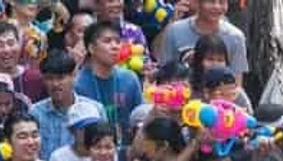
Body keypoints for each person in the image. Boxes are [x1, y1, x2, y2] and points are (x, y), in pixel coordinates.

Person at [74, 22, 143, 151]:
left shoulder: (130, 79)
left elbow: (139, 119)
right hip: (91, 153)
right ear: (91, 48)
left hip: (127, 151)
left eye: (117, 41)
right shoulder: (78, 84)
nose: (115, 46)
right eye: (107, 41)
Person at [158, 0, 248, 83]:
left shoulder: (235, 37)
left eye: (222, 2)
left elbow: (236, 84)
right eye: (211, 1)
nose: (217, 6)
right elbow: (164, 74)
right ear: (197, 3)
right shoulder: (174, 31)